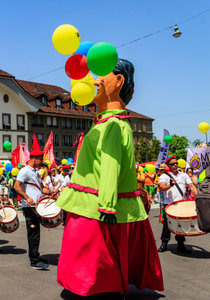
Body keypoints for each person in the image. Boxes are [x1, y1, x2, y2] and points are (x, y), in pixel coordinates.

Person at [56, 59, 163, 297]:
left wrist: (107, 206)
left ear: (119, 81)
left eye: (102, 75)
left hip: (97, 208)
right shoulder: (106, 123)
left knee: (95, 262)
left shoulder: (113, 124)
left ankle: (104, 290)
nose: (93, 79)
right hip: (91, 203)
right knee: (90, 261)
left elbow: (110, 167)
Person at [14, 150, 50, 270]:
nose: (41, 163)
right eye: (40, 160)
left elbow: (41, 189)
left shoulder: (35, 172)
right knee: (33, 233)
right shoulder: (25, 171)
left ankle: (36, 255)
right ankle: (34, 261)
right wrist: (27, 197)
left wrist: (51, 192)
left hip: (36, 206)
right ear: (34, 158)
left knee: (36, 233)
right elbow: (16, 186)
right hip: (29, 207)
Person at [158, 156, 198, 253]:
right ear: (168, 165)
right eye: (172, 164)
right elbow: (162, 188)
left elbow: (191, 186)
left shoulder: (184, 175)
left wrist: (199, 197)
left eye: (176, 163)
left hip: (181, 204)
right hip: (169, 205)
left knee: (181, 225)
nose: (175, 165)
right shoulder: (164, 176)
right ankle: (164, 244)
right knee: (167, 225)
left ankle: (181, 245)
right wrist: (170, 185)